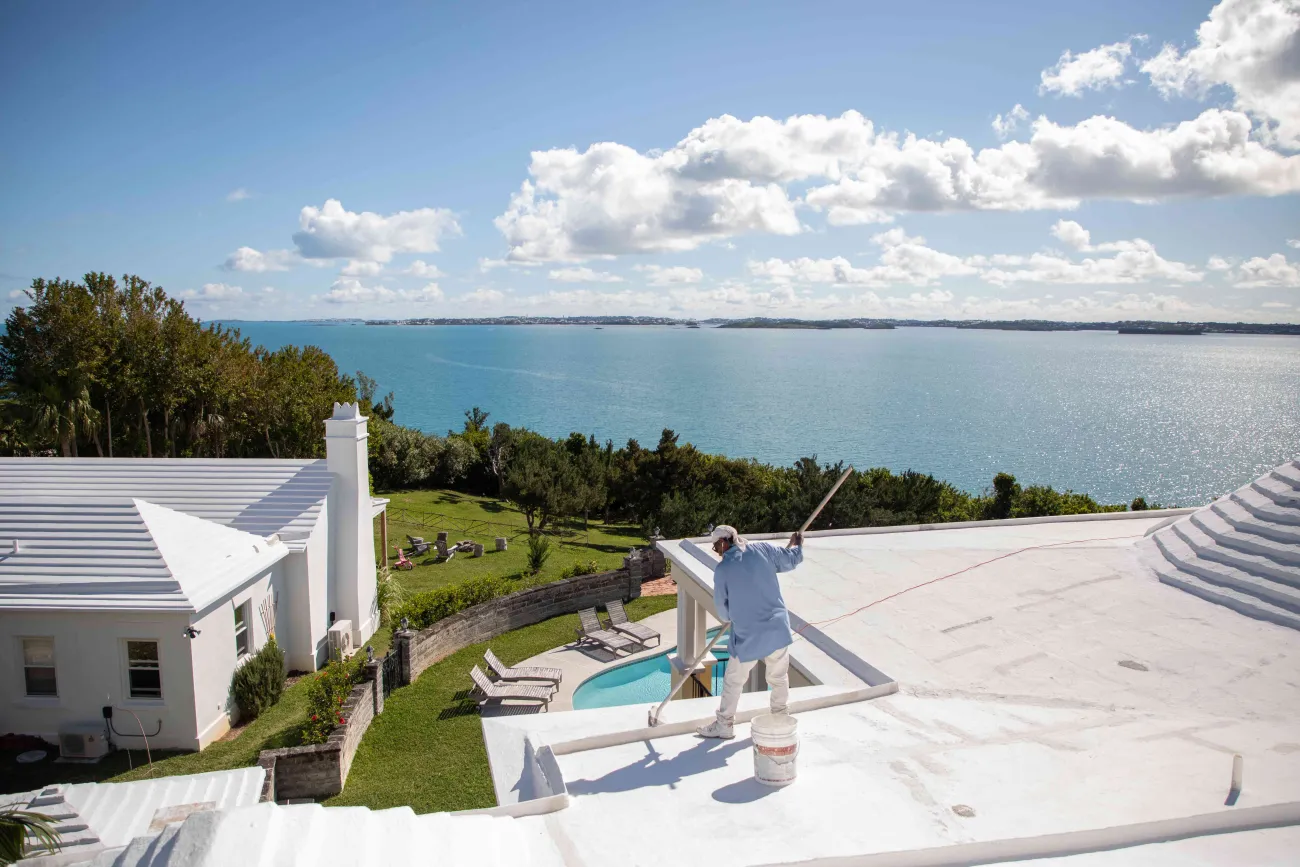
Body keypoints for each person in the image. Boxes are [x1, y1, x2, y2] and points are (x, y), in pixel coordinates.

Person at [697, 525, 804, 739]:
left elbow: (723, 611)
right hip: (777, 628)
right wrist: (797, 545)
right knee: (778, 676)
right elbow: (791, 560)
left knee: (734, 680)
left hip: (749, 634)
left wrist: (732, 616)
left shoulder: (723, 570)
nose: (715, 551)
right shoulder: (762, 549)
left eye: (716, 546)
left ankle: (724, 725)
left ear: (724, 542)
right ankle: (780, 719)